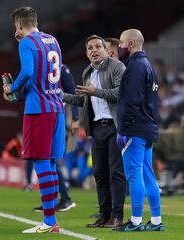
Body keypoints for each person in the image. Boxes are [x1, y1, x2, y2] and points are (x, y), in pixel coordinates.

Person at [3, 6, 65, 234]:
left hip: (39, 111)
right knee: (50, 163)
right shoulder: (53, 41)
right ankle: (53, 220)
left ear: (19, 25)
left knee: (40, 163)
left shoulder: (26, 43)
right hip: (57, 108)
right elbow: (43, 76)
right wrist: (20, 91)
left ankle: (49, 221)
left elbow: (28, 72)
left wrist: (12, 88)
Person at [63, 34, 126, 229]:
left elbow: (120, 93)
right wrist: (62, 96)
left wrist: (95, 92)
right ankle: (104, 215)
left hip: (115, 127)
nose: (94, 50)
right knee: (99, 174)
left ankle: (117, 217)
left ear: (106, 50)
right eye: (90, 48)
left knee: (116, 173)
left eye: (98, 46)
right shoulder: (87, 73)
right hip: (97, 128)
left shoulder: (117, 66)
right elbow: (84, 101)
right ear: (87, 53)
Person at [116, 29, 164, 231]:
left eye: (121, 42)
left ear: (131, 44)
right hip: (148, 126)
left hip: (135, 128)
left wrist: (124, 129)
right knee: (148, 174)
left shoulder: (135, 66)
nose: (119, 46)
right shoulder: (148, 66)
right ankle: (155, 220)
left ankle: (135, 220)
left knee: (134, 174)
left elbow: (132, 101)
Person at [31, 64, 78, 212]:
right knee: (49, 159)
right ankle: (52, 200)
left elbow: (72, 91)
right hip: (46, 116)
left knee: (51, 160)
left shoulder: (61, 68)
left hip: (57, 117)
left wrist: (75, 118)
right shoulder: (41, 68)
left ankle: (64, 199)